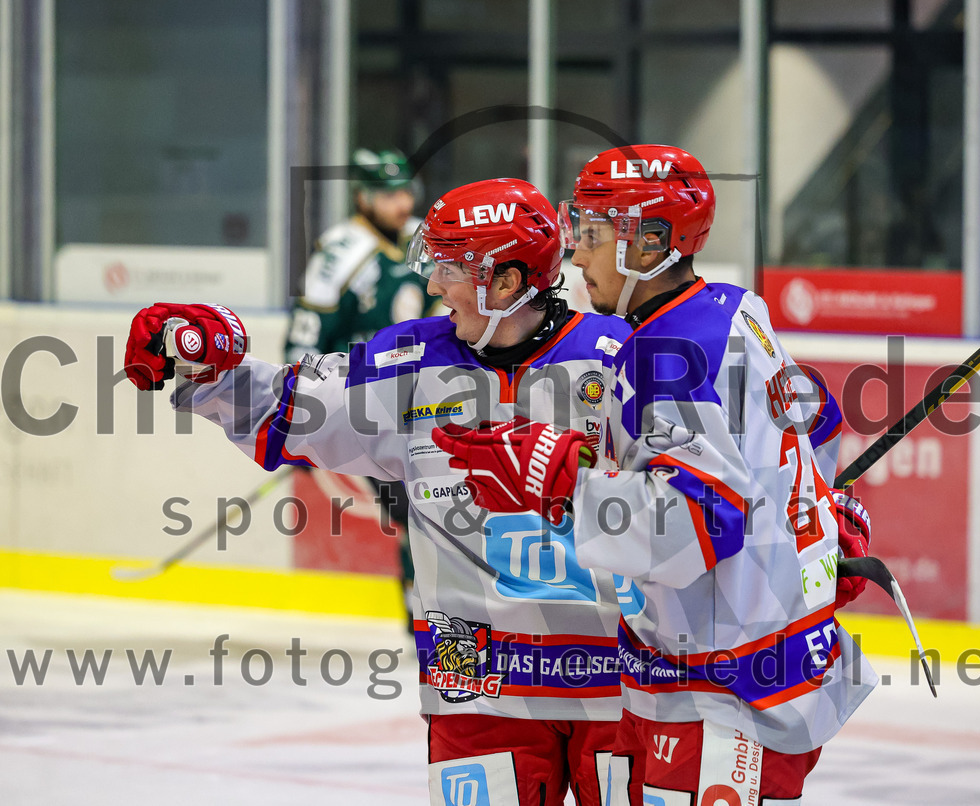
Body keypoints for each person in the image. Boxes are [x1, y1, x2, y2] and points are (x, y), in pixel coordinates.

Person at [123, 178, 634, 806]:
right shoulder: (410, 359)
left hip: (615, 682)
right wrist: (205, 367)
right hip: (474, 681)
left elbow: (685, 504)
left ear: (505, 281)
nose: (434, 283)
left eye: (451, 267)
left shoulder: (622, 360)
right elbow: (292, 407)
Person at [431, 145, 877, 805]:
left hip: (725, 691)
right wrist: (817, 525)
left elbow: (694, 523)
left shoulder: (663, 352)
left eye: (592, 235)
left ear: (649, 244)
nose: (576, 255)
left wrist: (560, 480)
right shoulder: (735, 310)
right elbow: (817, 427)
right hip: (748, 668)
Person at [284, 148, 434, 631]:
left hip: (431, 402)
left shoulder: (424, 240)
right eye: (388, 195)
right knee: (420, 512)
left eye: (406, 192)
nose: (401, 203)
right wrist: (304, 417)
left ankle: (439, 621)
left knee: (441, 512)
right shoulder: (339, 255)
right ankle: (427, 625)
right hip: (367, 411)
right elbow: (305, 342)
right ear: (362, 198)